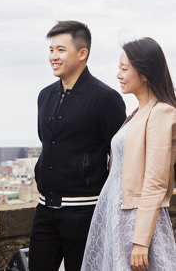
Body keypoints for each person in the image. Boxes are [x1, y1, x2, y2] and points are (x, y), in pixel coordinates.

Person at [29, 20, 126, 271]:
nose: (53, 56)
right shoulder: (44, 95)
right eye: (51, 50)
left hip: (85, 212)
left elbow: (117, 155)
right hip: (44, 209)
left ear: (82, 53)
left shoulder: (105, 98)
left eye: (61, 50)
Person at [81, 37, 176, 271]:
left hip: (134, 220)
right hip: (117, 215)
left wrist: (141, 241)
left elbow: (156, 182)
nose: (118, 75)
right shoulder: (137, 113)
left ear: (144, 73)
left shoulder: (162, 113)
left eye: (124, 69)